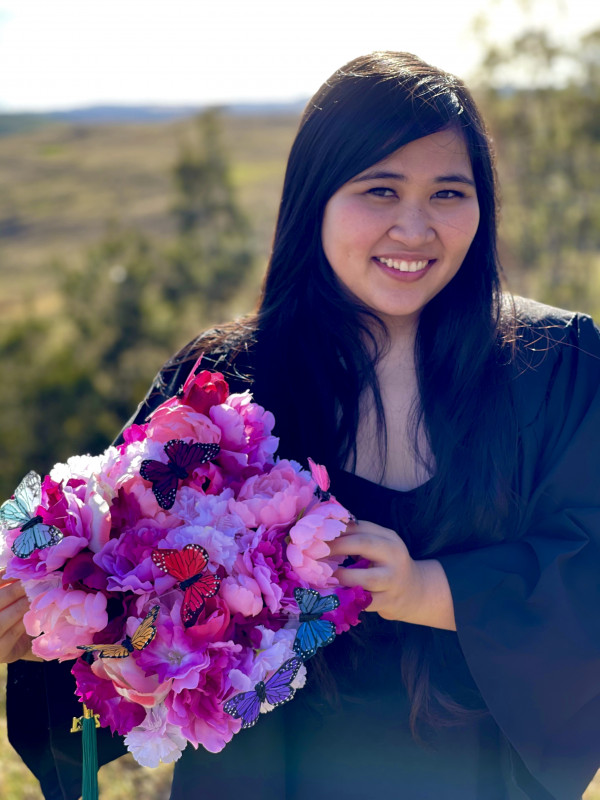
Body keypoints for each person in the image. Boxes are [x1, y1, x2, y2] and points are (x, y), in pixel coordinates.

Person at [3, 50, 600, 800]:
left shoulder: (557, 366)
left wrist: (428, 589)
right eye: (380, 189)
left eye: (449, 192)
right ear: (314, 199)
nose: (414, 228)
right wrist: (55, 628)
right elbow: (128, 585)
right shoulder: (221, 386)